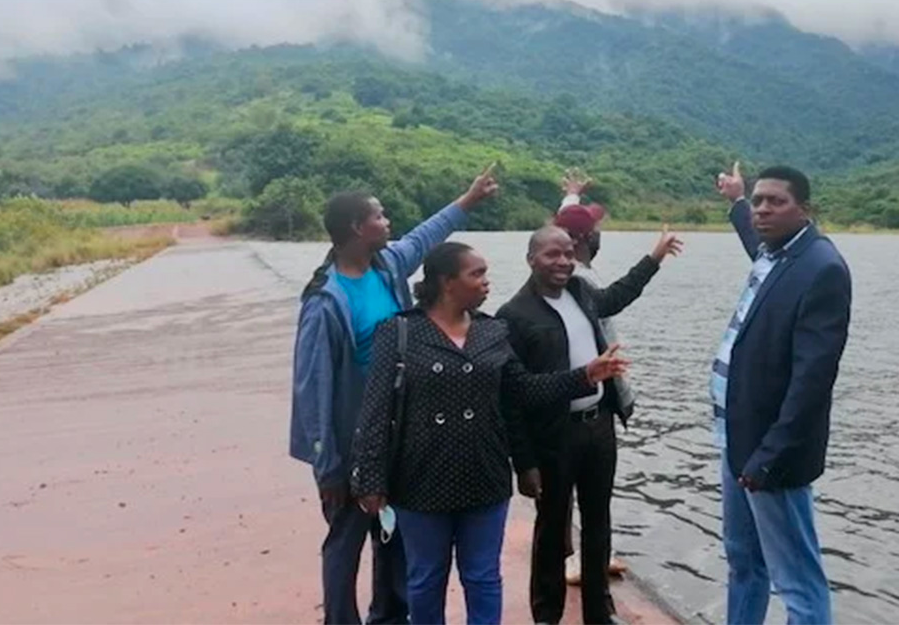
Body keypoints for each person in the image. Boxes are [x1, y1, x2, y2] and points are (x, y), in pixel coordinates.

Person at [349, 242, 630, 625]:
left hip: (484, 474)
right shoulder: (400, 332)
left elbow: (523, 389)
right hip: (420, 477)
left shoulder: (492, 330)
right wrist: (370, 479)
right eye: (476, 274)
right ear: (448, 282)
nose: (486, 282)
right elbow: (376, 409)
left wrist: (585, 377)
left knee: (483, 577)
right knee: (426, 577)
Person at [289, 166, 498, 625]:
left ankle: (389, 616)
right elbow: (312, 388)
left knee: (394, 537)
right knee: (346, 539)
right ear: (356, 229)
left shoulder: (386, 267)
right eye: (379, 217)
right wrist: (327, 464)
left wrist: (467, 201)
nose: (388, 223)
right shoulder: (325, 300)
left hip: (396, 435)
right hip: (348, 443)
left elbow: (427, 237)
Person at [497, 225, 682, 625]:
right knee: (551, 530)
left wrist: (653, 259)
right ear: (531, 259)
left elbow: (616, 296)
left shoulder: (581, 292)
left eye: (567, 253)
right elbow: (516, 393)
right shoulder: (514, 315)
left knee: (598, 521)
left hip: (598, 428)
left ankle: (600, 611)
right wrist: (523, 463)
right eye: (552, 255)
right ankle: (547, 615)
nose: (562, 262)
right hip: (553, 437)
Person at [713, 162, 852, 625]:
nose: (763, 211)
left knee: (797, 580)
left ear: (805, 209)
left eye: (776, 202)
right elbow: (753, 235)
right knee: (743, 562)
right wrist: (736, 198)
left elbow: (812, 381)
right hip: (736, 437)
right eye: (758, 201)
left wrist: (770, 455)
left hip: (772, 452)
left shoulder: (822, 268)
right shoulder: (774, 252)